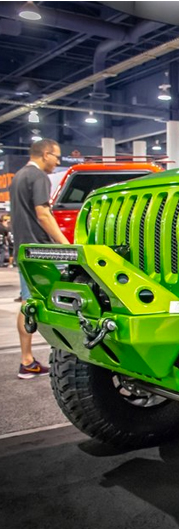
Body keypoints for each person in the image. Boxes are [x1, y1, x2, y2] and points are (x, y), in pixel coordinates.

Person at [9, 139, 68, 379]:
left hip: (24, 248)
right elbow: (43, 214)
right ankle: (37, 360)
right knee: (57, 301)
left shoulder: (19, 177)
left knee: (28, 302)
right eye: (56, 156)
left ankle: (27, 360)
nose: (57, 161)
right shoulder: (38, 176)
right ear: (45, 154)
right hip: (41, 250)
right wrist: (66, 245)